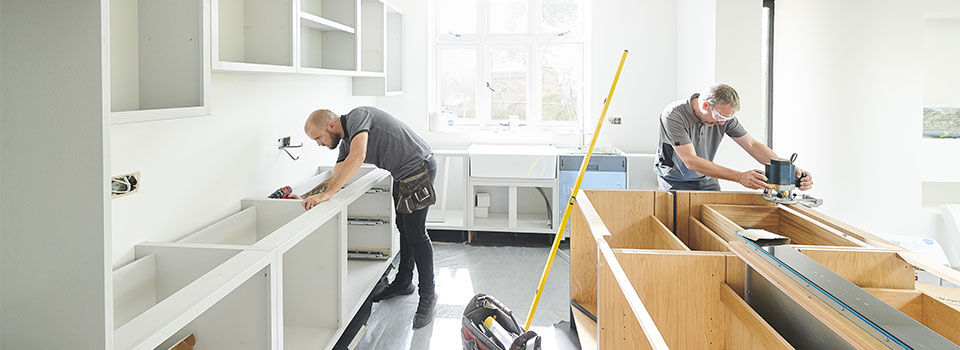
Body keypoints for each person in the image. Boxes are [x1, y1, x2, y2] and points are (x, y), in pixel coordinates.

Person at [300, 106, 438, 329]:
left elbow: (359, 155)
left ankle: (429, 296)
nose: (319, 144)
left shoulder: (358, 117)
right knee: (403, 227)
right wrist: (307, 196)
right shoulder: (346, 143)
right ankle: (404, 282)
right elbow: (336, 177)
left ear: (331, 125)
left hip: (419, 168)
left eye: (318, 137)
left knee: (416, 233)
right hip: (403, 175)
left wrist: (327, 195)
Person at [654, 83, 814, 191]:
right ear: (705, 105)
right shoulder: (674, 115)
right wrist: (739, 177)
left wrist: (786, 170)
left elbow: (752, 145)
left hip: (707, 178)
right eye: (720, 116)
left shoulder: (723, 117)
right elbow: (691, 161)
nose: (723, 123)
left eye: (728, 119)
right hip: (676, 181)